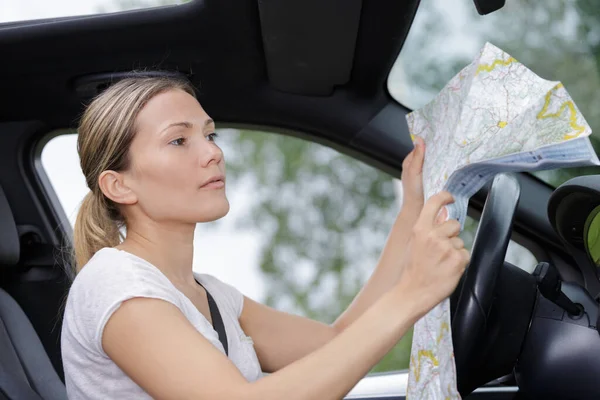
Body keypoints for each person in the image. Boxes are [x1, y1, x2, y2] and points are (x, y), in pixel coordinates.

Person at [60, 76, 469, 399]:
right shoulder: (114, 285)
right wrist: (411, 294)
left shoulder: (211, 294)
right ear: (119, 186)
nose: (212, 153)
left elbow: (336, 342)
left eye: (210, 134)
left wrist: (411, 208)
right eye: (179, 140)